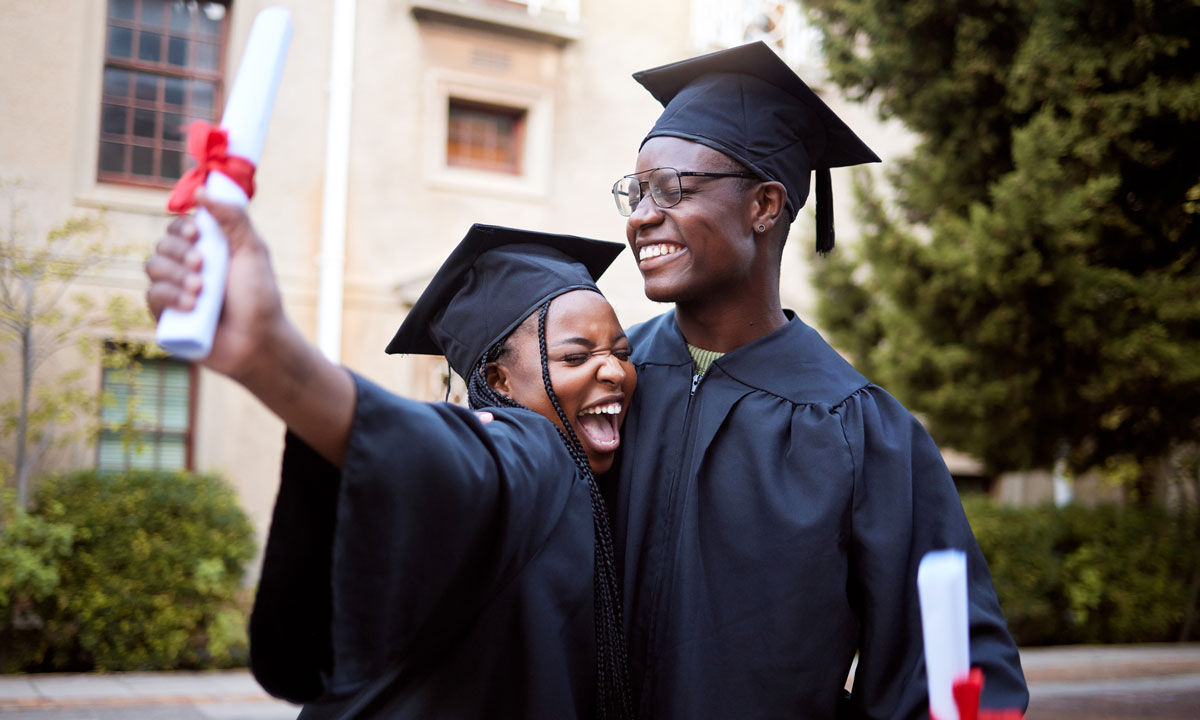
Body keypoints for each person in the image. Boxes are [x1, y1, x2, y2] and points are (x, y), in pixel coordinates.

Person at [605, 41, 1029, 719]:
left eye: (671, 188)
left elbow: (945, 664)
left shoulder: (860, 429)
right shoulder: (607, 383)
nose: (641, 215)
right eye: (636, 190)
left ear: (765, 205)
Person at [144, 198, 637, 718]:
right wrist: (272, 357)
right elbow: (447, 455)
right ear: (498, 381)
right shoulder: (530, 450)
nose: (613, 372)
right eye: (576, 356)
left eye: (622, 353)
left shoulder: (586, 469)